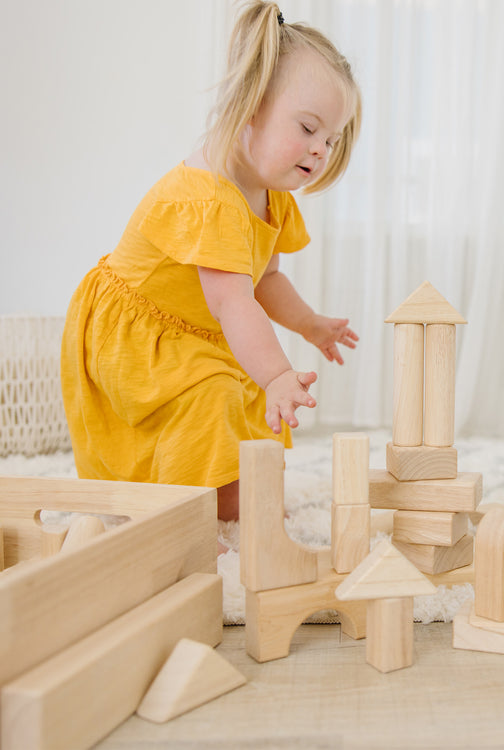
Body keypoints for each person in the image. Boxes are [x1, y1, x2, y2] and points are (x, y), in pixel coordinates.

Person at [60, 1, 361, 522]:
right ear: (251, 103)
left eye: (332, 139)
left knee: (241, 394)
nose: (321, 150)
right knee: (216, 393)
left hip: (195, 327)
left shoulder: (270, 194)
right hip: (138, 335)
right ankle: (182, 513)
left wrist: (308, 323)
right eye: (309, 128)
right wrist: (276, 375)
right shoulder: (212, 199)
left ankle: (230, 497)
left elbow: (264, 278)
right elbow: (231, 300)